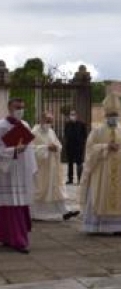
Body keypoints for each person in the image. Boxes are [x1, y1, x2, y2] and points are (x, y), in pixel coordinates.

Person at [80, 92, 121, 236]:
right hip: (102, 172)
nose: (113, 117)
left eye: (115, 114)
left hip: (120, 173)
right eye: (110, 114)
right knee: (101, 195)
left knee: (120, 196)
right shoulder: (97, 131)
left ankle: (120, 227)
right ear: (105, 114)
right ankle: (99, 227)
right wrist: (105, 147)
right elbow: (90, 150)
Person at [0, 98, 37, 253]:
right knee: (9, 206)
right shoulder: (1, 126)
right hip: (7, 173)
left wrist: (31, 168)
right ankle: (16, 240)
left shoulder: (25, 125)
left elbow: (30, 149)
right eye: (17, 107)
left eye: (22, 107)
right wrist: (14, 150)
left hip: (21, 172)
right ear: (9, 108)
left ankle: (11, 237)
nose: (20, 110)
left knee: (20, 204)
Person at [31, 112, 79, 221]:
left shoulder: (51, 132)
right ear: (41, 120)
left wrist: (56, 148)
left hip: (52, 166)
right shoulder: (34, 133)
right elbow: (31, 149)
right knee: (42, 190)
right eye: (47, 120)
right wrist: (46, 147)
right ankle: (38, 214)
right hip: (41, 168)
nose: (49, 123)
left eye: (50, 121)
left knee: (56, 189)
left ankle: (65, 211)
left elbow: (58, 144)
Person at [64, 110, 87, 185]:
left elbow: (85, 135)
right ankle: (70, 179)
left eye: (74, 114)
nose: (72, 116)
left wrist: (82, 143)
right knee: (69, 163)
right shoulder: (67, 124)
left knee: (79, 163)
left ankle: (79, 179)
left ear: (77, 116)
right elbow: (65, 134)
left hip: (78, 147)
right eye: (71, 115)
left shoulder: (81, 124)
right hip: (70, 147)